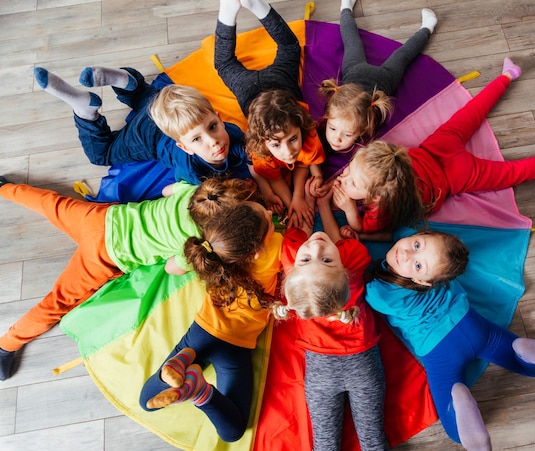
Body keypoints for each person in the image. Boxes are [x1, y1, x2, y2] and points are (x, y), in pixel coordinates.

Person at [0, 176, 263, 381]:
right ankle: (6, 345)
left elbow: (166, 191)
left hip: (104, 218)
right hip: (105, 256)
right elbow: (173, 269)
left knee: (52, 204)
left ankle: (5, 188)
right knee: (58, 301)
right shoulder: (195, 244)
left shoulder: (194, 193)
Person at [365, 228, 535, 450]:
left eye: (418, 265)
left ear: (422, 282)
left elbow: (359, 285)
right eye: (416, 246)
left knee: (456, 432)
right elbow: (406, 236)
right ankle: (524, 350)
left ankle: (458, 398)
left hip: (437, 348)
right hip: (470, 323)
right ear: (420, 235)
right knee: (533, 367)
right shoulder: (440, 269)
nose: (405, 254)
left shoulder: (378, 293)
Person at [331, 58, 535, 237]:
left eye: (351, 177)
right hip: (435, 149)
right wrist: (353, 179)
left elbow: (369, 231)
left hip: (454, 175)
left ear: (377, 196)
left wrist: (350, 209)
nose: (344, 178)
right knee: (471, 113)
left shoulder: (382, 206)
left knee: (513, 172)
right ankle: (508, 75)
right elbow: (371, 169)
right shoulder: (385, 164)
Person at [139, 200, 282, 443]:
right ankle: (201, 393)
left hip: (201, 333)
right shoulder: (277, 248)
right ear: (256, 251)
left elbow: (173, 267)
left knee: (146, 402)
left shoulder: (214, 246)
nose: (270, 213)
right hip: (236, 348)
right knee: (233, 432)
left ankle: (176, 370)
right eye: (270, 221)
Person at [270, 180, 388, 450]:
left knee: (324, 443)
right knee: (373, 440)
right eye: (325, 260)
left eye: (308, 258)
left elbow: (303, 229)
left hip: (321, 370)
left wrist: (309, 201)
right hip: (363, 364)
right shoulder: (354, 260)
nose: (316, 248)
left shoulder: (290, 257)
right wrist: (323, 203)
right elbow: (333, 242)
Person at [34, 66, 252, 185]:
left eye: (213, 127)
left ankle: (126, 81)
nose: (213, 141)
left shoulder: (231, 132)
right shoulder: (192, 171)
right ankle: (84, 110)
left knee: (150, 98)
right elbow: (179, 190)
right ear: (183, 147)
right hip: (149, 135)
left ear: (219, 117)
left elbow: (249, 151)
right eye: (197, 140)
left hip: (164, 105)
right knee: (101, 155)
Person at [214, 0, 325, 228]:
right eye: (276, 145)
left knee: (229, 63)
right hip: (251, 90)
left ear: (300, 128)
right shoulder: (260, 150)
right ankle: (238, 8)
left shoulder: (305, 127)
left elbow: (302, 162)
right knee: (289, 48)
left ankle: (246, 7)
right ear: (264, 142)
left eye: (293, 139)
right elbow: (274, 176)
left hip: (278, 86)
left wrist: (297, 198)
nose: (288, 152)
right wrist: (294, 199)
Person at [316, 2, 437, 184]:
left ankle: (427, 27)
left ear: (362, 130)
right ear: (327, 117)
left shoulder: (371, 126)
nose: (337, 138)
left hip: (382, 79)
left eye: (348, 135)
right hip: (354, 72)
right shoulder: (330, 114)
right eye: (332, 128)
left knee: (403, 56)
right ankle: (345, 8)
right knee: (351, 41)